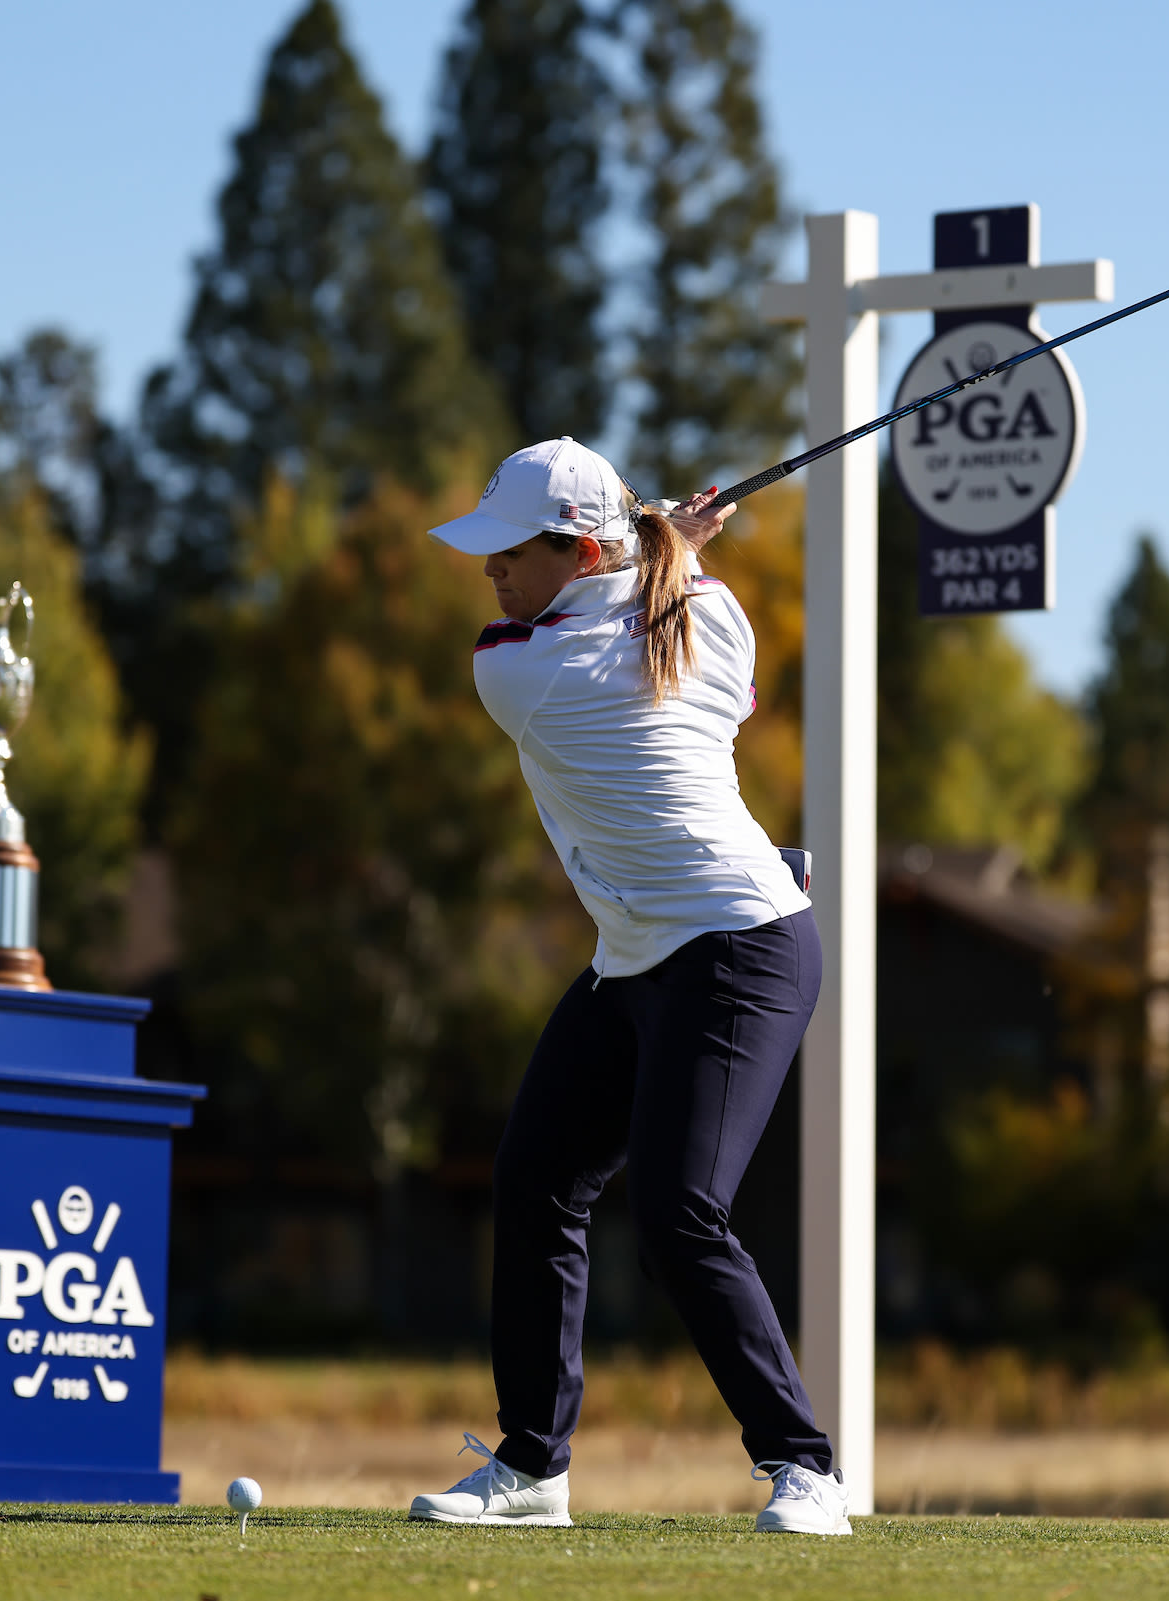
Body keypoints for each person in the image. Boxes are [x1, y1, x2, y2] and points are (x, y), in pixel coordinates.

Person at [405, 437, 848, 1536]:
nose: (491, 569)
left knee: (678, 1209)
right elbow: (719, 689)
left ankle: (806, 1468)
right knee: (538, 1173)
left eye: (513, 550)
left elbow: (550, 638)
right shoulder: (716, 615)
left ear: (582, 548)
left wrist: (671, 546)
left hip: (740, 948)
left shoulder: (520, 669)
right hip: (640, 952)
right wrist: (676, 558)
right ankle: (532, 1467)